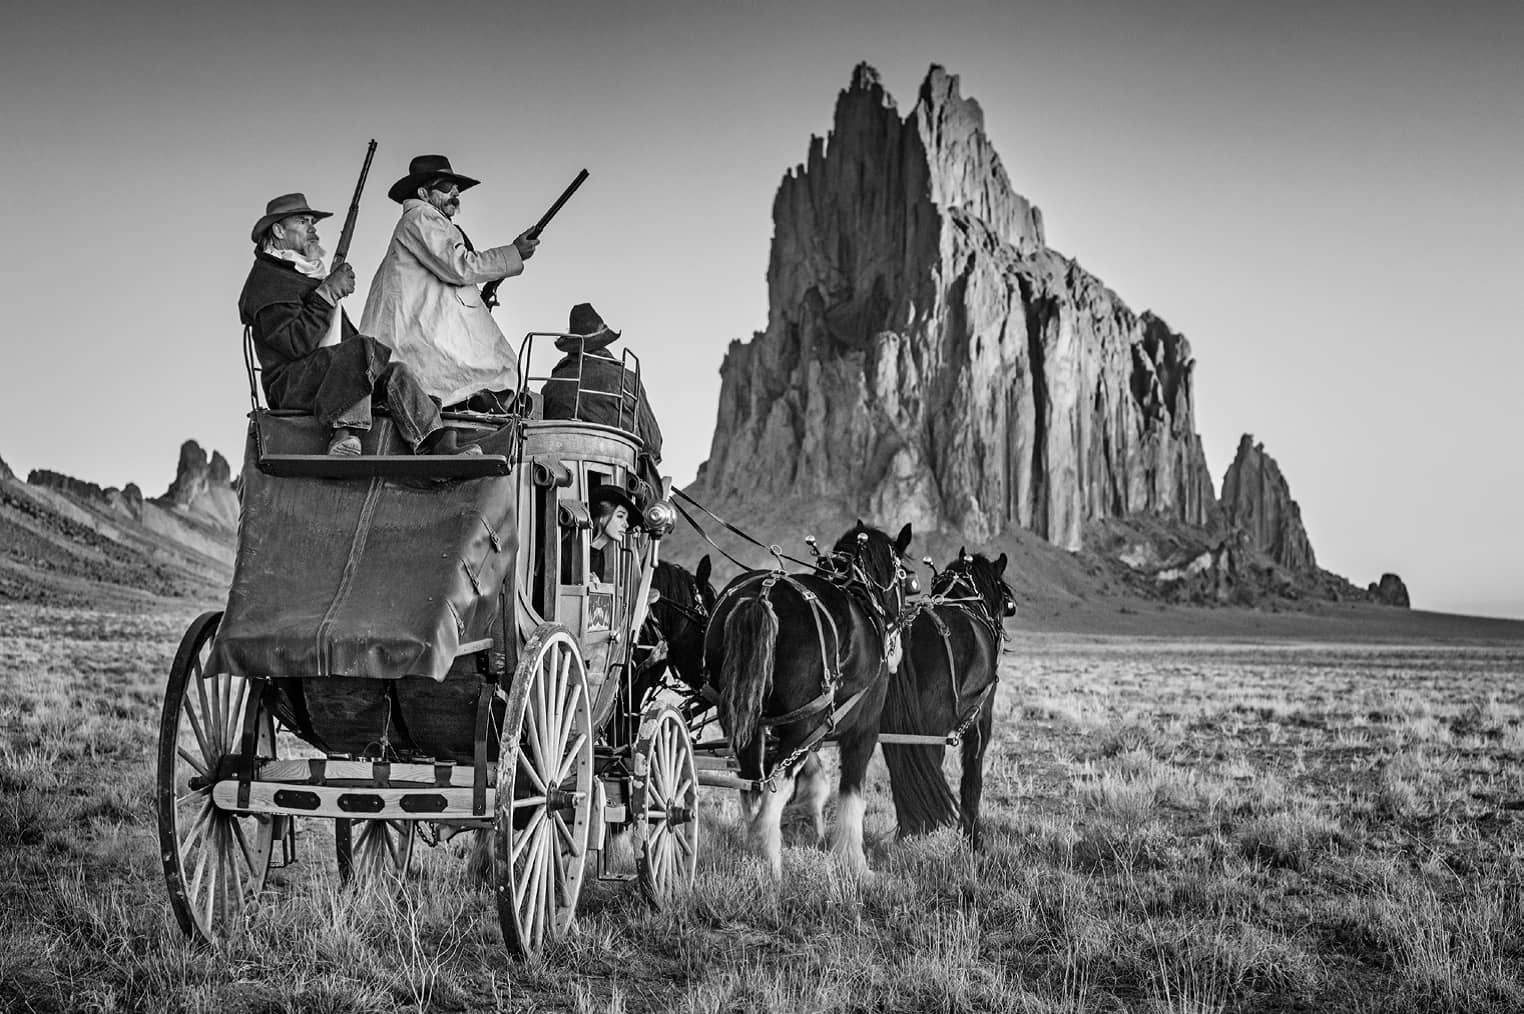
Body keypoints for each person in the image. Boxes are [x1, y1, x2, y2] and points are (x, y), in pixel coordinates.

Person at [237, 193, 477, 456]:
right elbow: (294, 344)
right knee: (362, 350)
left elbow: (338, 340)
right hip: (289, 384)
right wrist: (327, 294)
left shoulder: (301, 272)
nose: (312, 228)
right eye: (303, 221)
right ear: (278, 230)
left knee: (396, 372)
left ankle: (434, 441)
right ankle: (345, 434)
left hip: (320, 375)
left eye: (312, 222)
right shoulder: (268, 281)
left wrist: (373, 364)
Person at [360, 154, 540, 410]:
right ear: (424, 193)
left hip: (426, 327)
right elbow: (459, 266)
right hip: (419, 334)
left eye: (457, 188)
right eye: (446, 186)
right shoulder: (421, 218)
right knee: (496, 365)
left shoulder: (428, 222)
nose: (456, 191)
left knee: (497, 364)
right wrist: (513, 253)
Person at [541, 303, 664, 472]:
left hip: (559, 475)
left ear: (571, 347)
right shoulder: (627, 379)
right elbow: (653, 444)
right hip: (620, 475)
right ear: (603, 343)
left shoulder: (551, 385)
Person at [587, 485, 639, 582]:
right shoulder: (572, 549)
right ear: (602, 516)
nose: (626, 525)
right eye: (620, 516)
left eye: (626, 519)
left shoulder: (600, 556)